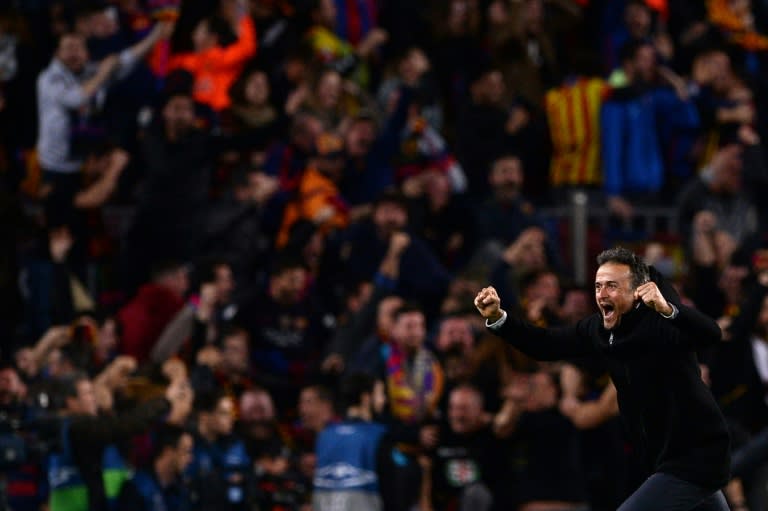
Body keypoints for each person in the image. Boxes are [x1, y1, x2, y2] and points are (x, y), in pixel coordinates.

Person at [474, 246, 731, 511]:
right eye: (598, 286)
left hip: (697, 456)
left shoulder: (662, 323)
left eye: (612, 286)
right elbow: (546, 344)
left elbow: (710, 333)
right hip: (663, 457)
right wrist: (499, 319)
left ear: (636, 292)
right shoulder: (597, 329)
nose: (601, 294)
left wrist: (668, 309)